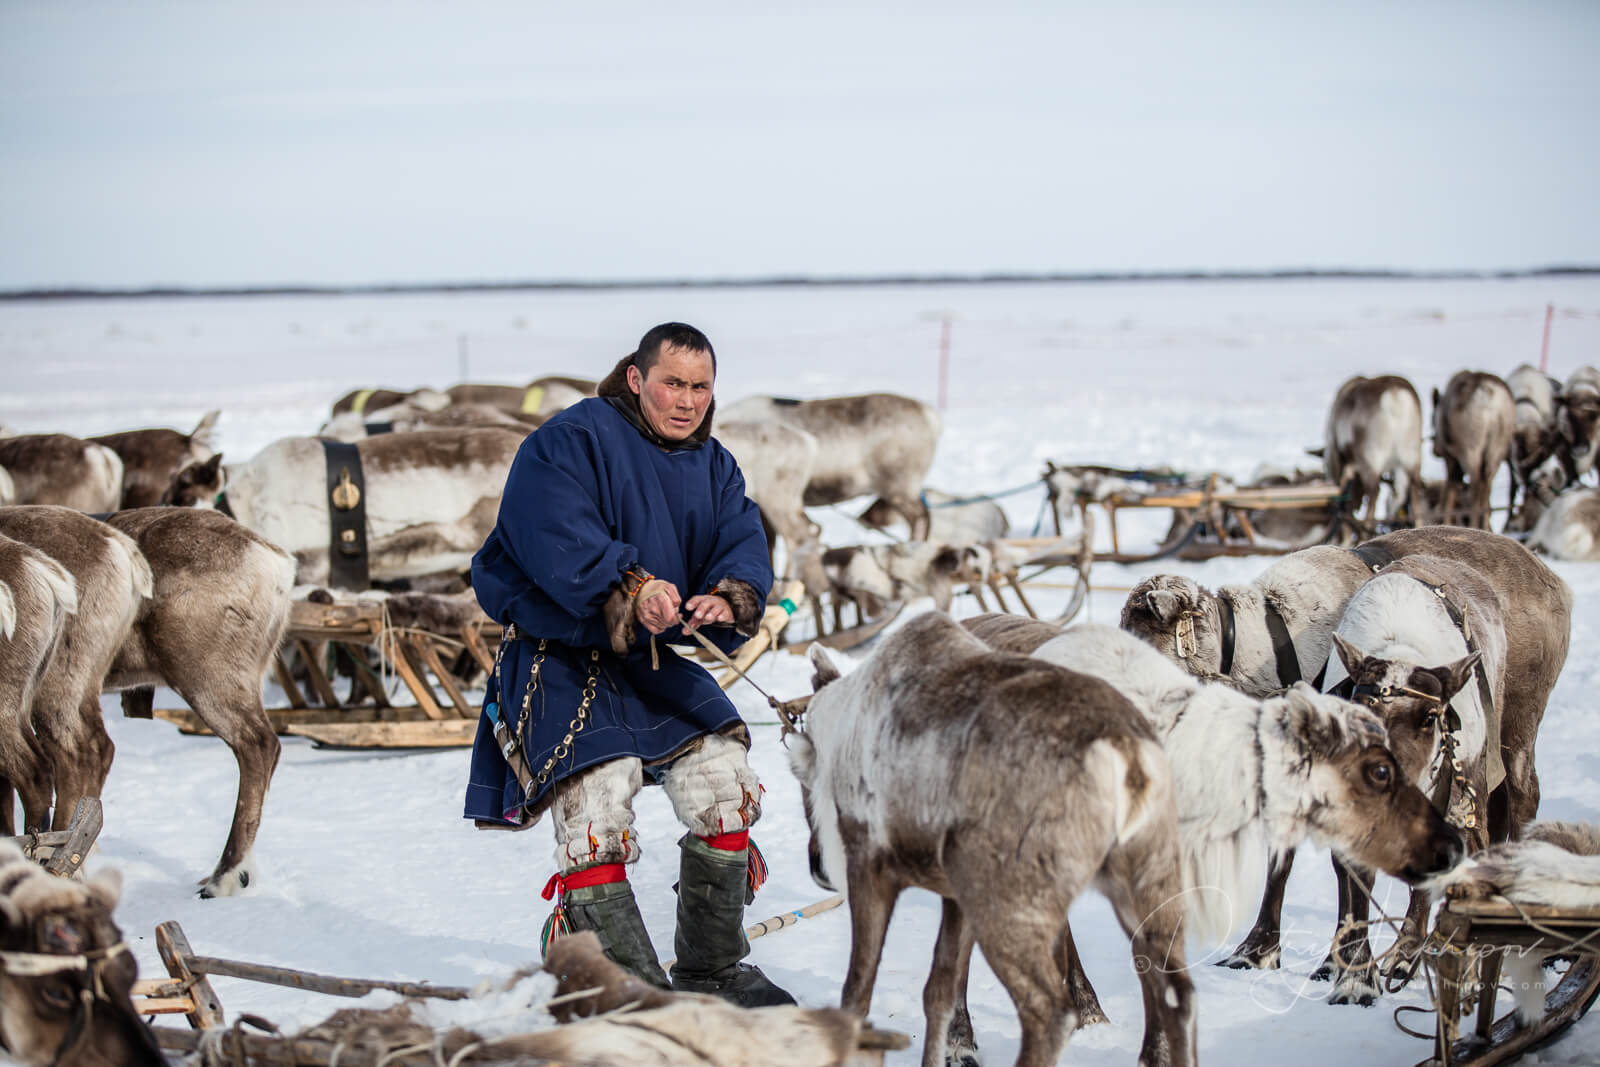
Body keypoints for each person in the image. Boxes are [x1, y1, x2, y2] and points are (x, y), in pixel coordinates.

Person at [464, 322, 794, 1007]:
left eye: (701, 387)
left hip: (646, 662)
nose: (688, 401)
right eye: (673, 383)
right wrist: (630, 586)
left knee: (723, 784)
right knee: (597, 809)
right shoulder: (568, 440)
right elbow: (551, 529)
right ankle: (630, 994)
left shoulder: (715, 464)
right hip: (555, 657)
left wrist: (727, 596)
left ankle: (711, 968)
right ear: (637, 378)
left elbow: (740, 535)